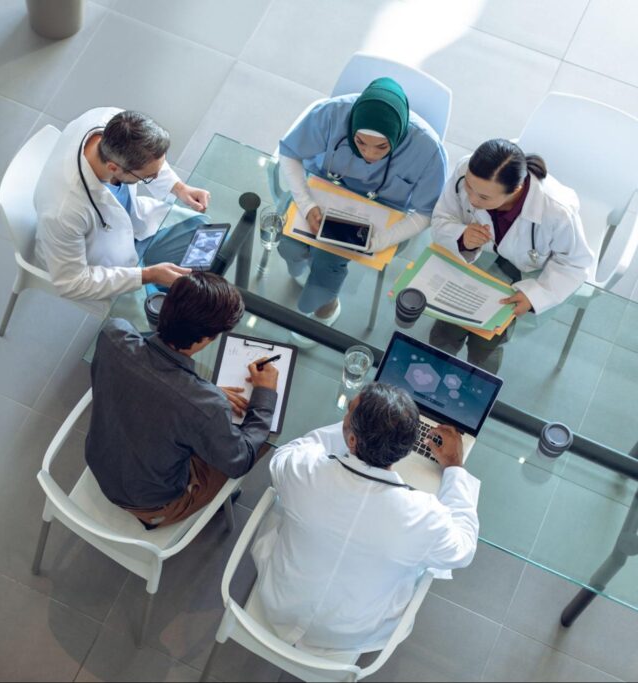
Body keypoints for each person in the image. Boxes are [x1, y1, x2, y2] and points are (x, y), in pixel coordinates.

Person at [251, 383, 480, 653]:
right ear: (407, 449)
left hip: (278, 607)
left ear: (351, 440)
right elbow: (463, 548)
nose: (344, 418)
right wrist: (454, 467)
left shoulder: (304, 472)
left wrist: (357, 430)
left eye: (348, 412)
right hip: (350, 636)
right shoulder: (423, 517)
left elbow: (291, 452)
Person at [87, 272, 279, 528]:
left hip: (100, 459)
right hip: (152, 502)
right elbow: (240, 460)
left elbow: (150, 375)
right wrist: (264, 394)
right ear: (204, 339)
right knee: (260, 441)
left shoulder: (114, 333)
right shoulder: (205, 407)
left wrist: (198, 393)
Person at [276, 78, 448, 347]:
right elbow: (289, 153)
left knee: (328, 262)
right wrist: (307, 204)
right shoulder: (331, 114)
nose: (369, 155)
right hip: (322, 194)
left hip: (380, 217)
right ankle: (310, 270)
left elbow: (426, 211)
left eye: (382, 147)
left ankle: (325, 306)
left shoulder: (429, 150)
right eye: (360, 143)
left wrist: (380, 241)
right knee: (287, 245)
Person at [430, 139, 596, 372]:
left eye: (485, 198)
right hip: (478, 257)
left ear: (516, 190)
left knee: (485, 342)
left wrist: (536, 295)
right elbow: (441, 218)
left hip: (529, 272)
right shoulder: (466, 171)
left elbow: (575, 265)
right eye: (469, 188)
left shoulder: (556, 211)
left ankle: (477, 380)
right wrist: (461, 236)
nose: (474, 200)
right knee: (445, 330)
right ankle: (433, 370)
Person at [34, 107, 212, 303]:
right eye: (147, 177)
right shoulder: (64, 211)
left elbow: (151, 160)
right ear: (113, 168)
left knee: (210, 240)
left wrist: (179, 188)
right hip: (106, 265)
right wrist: (147, 275)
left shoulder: (115, 122)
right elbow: (71, 283)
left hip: (134, 224)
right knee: (162, 316)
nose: (156, 177)